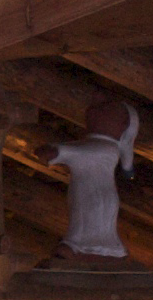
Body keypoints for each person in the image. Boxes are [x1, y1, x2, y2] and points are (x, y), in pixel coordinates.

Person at [54, 95, 141, 261]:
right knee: (81, 214)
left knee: (89, 217)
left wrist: (58, 153)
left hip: (97, 194)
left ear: (122, 124)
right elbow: (80, 149)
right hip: (89, 190)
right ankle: (82, 246)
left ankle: (84, 247)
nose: (96, 107)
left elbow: (83, 153)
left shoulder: (106, 148)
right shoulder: (98, 144)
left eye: (106, 108)